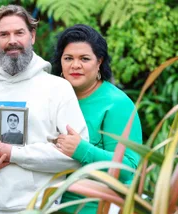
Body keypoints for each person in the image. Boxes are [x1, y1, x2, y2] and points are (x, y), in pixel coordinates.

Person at [0, 5, 89, 214]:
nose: (12, 40)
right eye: (4, 34)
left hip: (39, 208)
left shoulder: (57, 89)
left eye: (19, 33)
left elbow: (76, 155)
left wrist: (12, 153)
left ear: (32, 36)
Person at [51, 24, 143, 213]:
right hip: (48, 204)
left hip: (96, 207)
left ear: (99, 62)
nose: (75, 65)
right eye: (68, 58)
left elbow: (128, 168)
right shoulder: (51, 97)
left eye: (84, 59)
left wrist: (81, 150)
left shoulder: (116, 104)